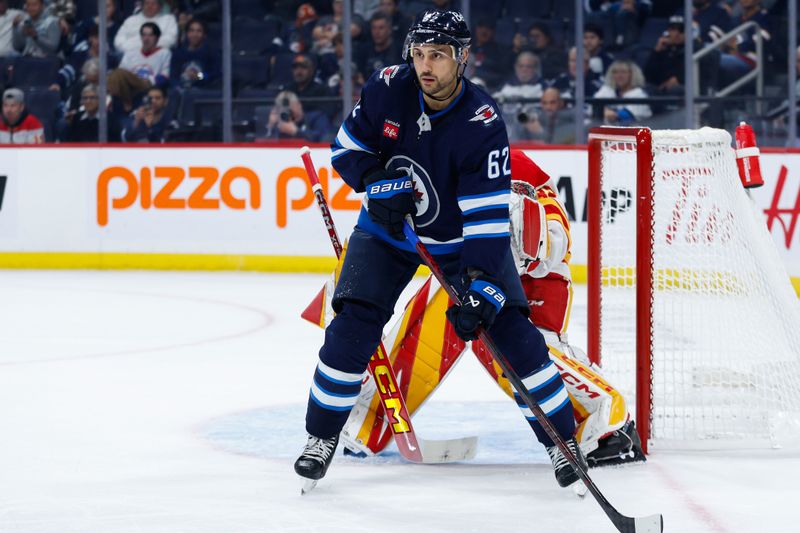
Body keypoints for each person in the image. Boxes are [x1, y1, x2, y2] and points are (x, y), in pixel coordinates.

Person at [294, 9, 586, 491]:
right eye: (419, 53)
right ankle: (319, 438)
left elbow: (487, 221)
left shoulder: (481, 123)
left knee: (514, 335)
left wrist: (480, 285)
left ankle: (561, 441)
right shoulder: (389, 86)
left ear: (462, 58)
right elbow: (347, 149)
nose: (425, 65)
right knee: (351, 326)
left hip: (458, 245)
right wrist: (374, 183)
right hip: (389, 233)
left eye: (439, 55)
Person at [332, 149, 645, 466]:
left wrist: (528, 240)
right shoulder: (434, 162)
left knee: (524, 351)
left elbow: (551, 238)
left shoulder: (512, 165)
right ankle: (373, 417)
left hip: (536, 284)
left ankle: (607, 423)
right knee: (439, 306)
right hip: (475, 277)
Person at [593, 59, 652, 125]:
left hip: (632, 132)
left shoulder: (639, 94)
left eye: (623, 72)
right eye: (615, 72)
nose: (619, 76)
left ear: (632, 75)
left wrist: (605, 112)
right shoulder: (608, 90)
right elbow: (593, 107)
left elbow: (626, 116)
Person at [262, 90, 332, 142]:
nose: (287, 112)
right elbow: (263, 144)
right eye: (283, 109)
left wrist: (296, 132)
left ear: (299, 105)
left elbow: (325, 138)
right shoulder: (280, 123)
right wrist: (270, 127)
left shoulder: (317, 117)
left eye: (290, 108)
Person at [169, 18, 219, 88]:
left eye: (199, 31)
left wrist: (199, 76)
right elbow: (173, 77)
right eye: (191, 31)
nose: (194, 34)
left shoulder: (211, 53)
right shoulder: (178, 54)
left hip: (203, 93)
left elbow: (215, 75)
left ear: (204, 35)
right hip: (182, 92)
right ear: (187, 33)